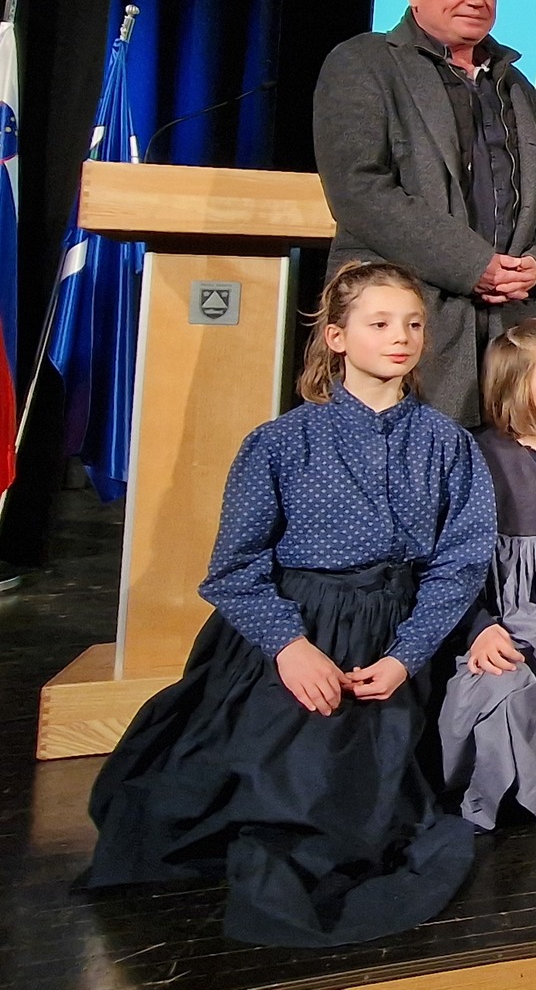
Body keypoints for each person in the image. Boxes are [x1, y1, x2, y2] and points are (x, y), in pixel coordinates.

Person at [85, 263, 493, 946]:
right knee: (285, 788)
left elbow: (460, 563)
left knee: (368, 813)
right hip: (297, 627)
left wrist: (404, 656)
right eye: (381, 323)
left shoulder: (447, 444)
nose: (402, 338)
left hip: (392, 633)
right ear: (336, 336)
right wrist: (292, 648)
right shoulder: (280, 442)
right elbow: (235, 569)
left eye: (414, 324)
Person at [313, 0, 536, 425]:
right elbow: (359, 188)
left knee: (501, 482)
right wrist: (473, 263)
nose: (476, 0)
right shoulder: (364, 62)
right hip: (409, 318)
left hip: (508, 322)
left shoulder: (514, 83)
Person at [439, 318, 536, 829]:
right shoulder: (480, 454)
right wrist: (477, 622)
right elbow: (457, 555)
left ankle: (532, 784)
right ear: (513, 384)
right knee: (494, 698)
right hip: (498, 617)